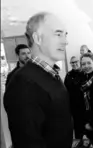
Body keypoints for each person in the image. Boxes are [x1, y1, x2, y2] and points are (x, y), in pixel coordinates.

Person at [3, 12, 73, 148]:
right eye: (58, 34)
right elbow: (28, 141)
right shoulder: (23, 83)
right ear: (37, 38)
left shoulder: (50, 74)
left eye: (65, 34)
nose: (65, 41)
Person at [71, 53, 93, 148]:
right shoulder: (82, 78)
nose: (86, 66)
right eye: (83, 64)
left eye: (89, 63)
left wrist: (92, 123)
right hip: (85, 119)